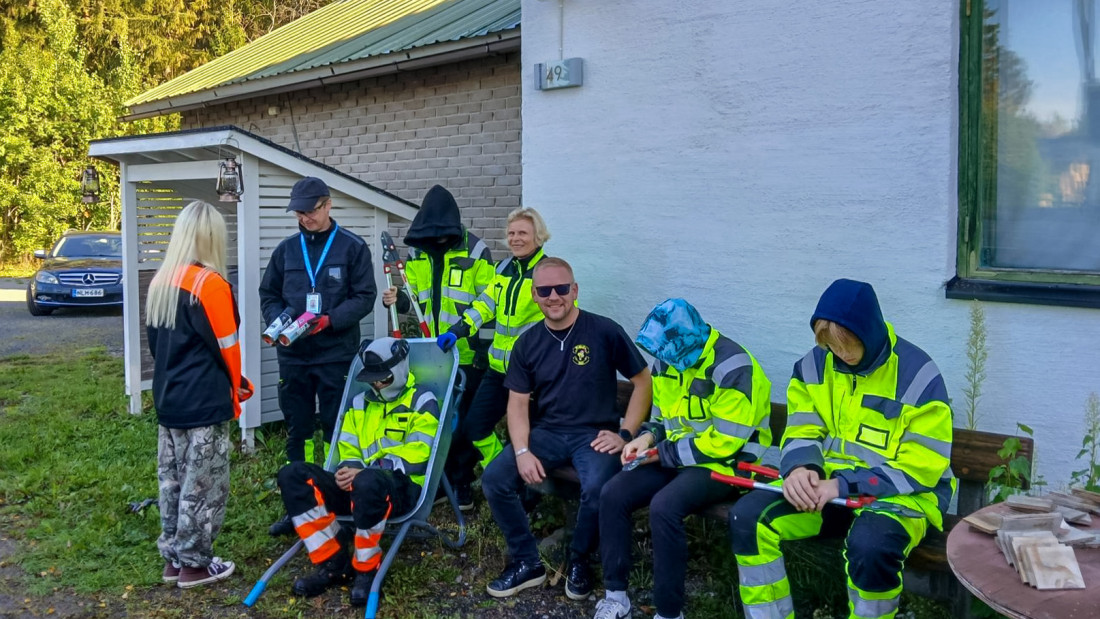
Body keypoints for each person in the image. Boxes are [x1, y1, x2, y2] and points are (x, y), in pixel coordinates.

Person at [729, 279, 956, 619]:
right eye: (831, 346)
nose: (843, 355)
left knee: (872, 547)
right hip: (829, 489)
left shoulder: (917, 374)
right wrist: (801, 469)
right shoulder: (812, 365)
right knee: (748, 518)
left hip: (902, 494)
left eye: (849, 344)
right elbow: (803, 429)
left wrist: (843, 484)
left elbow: (922, 465)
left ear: (871, 331)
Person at [481, 257, 652, 601]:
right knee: (495, 479)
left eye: (561, 288)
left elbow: (643, 381)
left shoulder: (603, 330)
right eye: (544, 290)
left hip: (595, 435)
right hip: (547, 433)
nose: (553, 296)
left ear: (575, 290)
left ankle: (579, 559)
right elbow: (516, 403)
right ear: (534, 295)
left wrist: (625, 434)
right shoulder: (527, 343)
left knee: (597, 486)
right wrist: (522, 451)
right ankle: (528, 562)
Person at [594, 298, 773, 619]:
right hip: (676, 455)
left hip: (726, 465)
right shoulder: (667, 359)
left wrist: (657, 453)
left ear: (691, 338)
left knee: (665, 506)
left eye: (666, 353)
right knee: (613, 493)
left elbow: (724, 445)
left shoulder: (734, 367)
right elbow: (663, 421)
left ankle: (669, 611)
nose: (661, 360)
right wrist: (644, 439)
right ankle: (616, 595)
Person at [276, 337, 439, 606]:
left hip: (401, 489)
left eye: (383, 379)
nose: (376, 384)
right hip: (358, 485)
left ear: (398, 370)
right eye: (372, 379)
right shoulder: (359, 402)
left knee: (368, 481)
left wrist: (364, 470)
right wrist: (346, 469)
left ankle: (366, 570)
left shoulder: (422, 400)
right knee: (292, 475)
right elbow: (348, 447)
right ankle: (333, 562)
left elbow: (419, 455)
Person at [260, 176, 377, 536]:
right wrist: (277, 321)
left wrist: (331, 320)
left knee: (335, 425)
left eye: (309, 211)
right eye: (298, 212)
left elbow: (365, 296)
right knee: (299, 430)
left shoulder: (352, 248)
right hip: (294, 356)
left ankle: (338, 502)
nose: (303, 218)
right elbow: (269, 294)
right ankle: (299, 506)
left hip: (335, 355)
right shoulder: (286, 250)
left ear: (328, 205)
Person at [146, 200, 254, 589]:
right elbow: (228, 348)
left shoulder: (160, 282)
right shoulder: (210, 285)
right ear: (212, 238)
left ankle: (174, 558)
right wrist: (239, 385)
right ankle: (195, 563)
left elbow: (156, 345)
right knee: (204, 483)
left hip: (169, 398)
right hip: (205, 401)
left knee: (172, 480)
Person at [381, 184, 494, 509]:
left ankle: (461, 482)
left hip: (468, 353)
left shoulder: (475, 251)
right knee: (437, 419)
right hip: (431, 352)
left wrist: (463, 332)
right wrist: (398, 299)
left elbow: (489, 299)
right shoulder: (419, 253)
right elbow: (414, 300)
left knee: (463, 422)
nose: (438, 241)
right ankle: (443, 480)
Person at [436, 207, 550, 498]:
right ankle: (505, 475)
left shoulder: (547, 272)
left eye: (522, 233)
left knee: (529, 436)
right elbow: (484, 306)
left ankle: (532, 493)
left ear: (538, 236)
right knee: (475, 428)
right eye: (511, 233)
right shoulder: (503, 269)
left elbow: (557, 318)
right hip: (498, 369)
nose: (515, 238)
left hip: (532, 375)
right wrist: (459, 330)